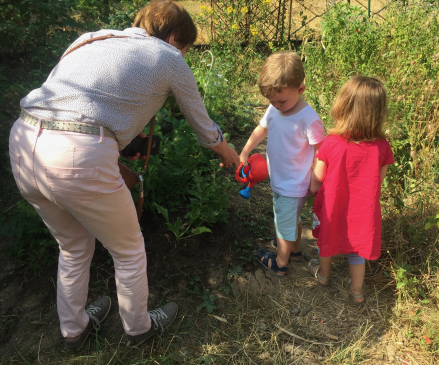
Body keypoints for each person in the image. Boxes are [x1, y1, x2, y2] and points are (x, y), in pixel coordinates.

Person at [9, 0, 239, 351]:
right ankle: (138, 328)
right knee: (128, 250)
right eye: (186, 49)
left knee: (72, 246)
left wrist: (114, 144)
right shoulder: (168, 56)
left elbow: (78, 102)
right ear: (175, 37)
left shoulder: (91, 38)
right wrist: (229, 155)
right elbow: (204, 127)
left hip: (23, 140)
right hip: (78, 153)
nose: (183, 55)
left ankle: (75, 330)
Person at [308, 76, 394, 305]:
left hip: (333, 207)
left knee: (326, 241)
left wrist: (312, 181)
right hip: (363, 211)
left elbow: (317, 181)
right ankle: (357, 291)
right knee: (357, 249)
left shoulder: (332, 143)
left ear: (343, 107)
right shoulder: (383, 147)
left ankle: (323, 276)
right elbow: (378, 182)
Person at [239, 51, 325, 276]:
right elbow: (262, 129)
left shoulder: (308, 118)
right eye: (271, 100)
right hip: (282, 180)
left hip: (293, 184)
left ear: (300, 90)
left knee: (282, 224)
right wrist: (246, 150)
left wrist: (316, 179)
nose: (276, 105)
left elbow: (321, 151)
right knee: (291, 219)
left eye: (281, 100)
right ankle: (294, 250)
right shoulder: (275, 108)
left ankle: (280, 262)